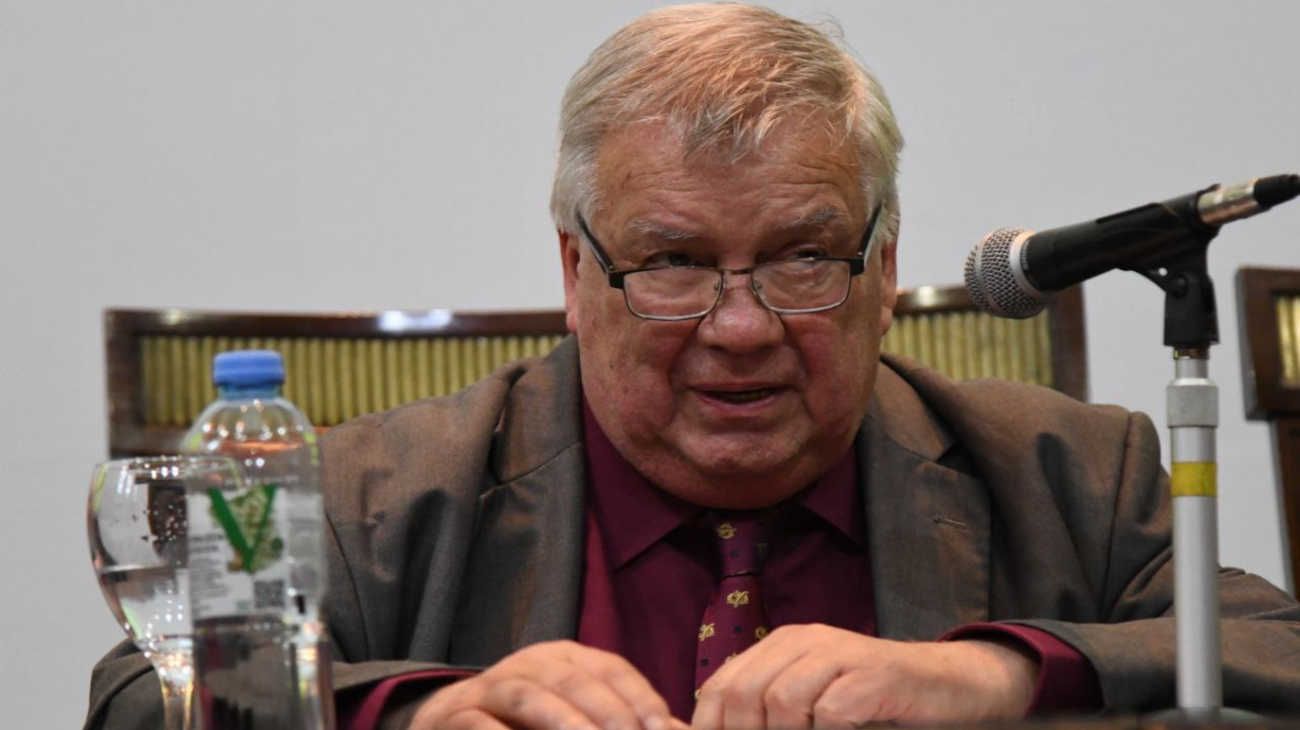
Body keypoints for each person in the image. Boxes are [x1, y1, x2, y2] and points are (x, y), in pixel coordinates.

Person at [86, 4, 1300, 729]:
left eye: (804, 257)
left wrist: (995, 674)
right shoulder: (366, 497)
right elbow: (138, 698)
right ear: (574, 271)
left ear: (887, 270)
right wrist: (424, 709)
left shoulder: (1071, 472)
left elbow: (1276, 652)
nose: (740, 325)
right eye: (671, 261)